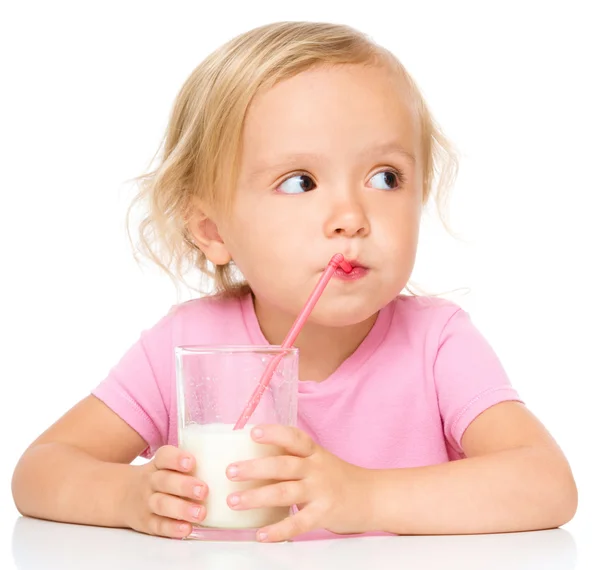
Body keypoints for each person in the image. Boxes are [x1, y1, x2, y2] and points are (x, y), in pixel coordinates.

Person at [11, 21, 577, 543]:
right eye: (300, 181)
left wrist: (365, 497)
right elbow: (40, 469)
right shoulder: (188, 348)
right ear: (212, 230)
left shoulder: (437, 344)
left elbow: (547, 484)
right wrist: (132, 496)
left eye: (386, 177)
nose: (352, 215)